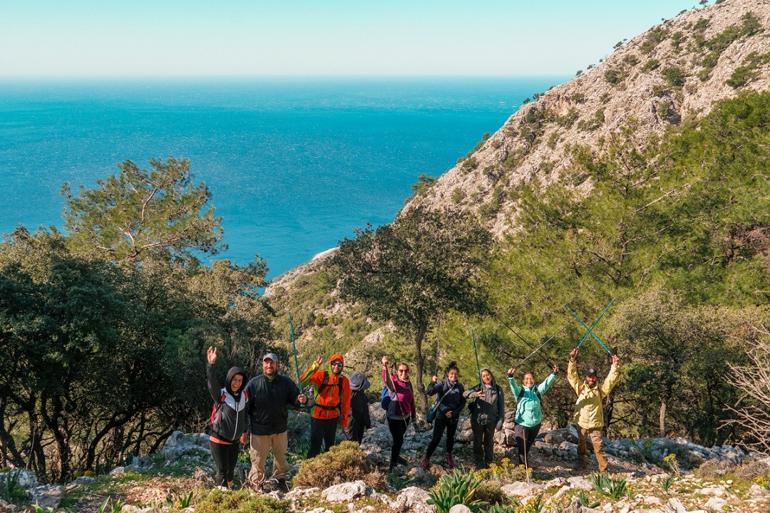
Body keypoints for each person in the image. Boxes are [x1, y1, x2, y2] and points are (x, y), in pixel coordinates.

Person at [244, 352, 307, 491]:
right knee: (257, 463)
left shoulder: (286, 382)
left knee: (281, 461)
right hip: (259, 433)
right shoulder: (253, 384)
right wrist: (243, 430)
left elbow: (296, 400)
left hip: (280, 430)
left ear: (277, 365)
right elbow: (244, 408)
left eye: (272, 362)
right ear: (262, 365)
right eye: (266, 362)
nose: (269, 365)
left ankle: (279, 484)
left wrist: (302, 399)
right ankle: (255, 488)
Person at [567, 348, 621, 473]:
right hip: (581, 423)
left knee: (598, 448)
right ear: (586, 377)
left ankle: (603, 470)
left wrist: (615, 365)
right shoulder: (580, 387)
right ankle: (581, 465)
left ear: (596, 378)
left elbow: (611, 380)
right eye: (589, 377)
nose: (591, 379)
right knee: (581, 445)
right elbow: (572, 375)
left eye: (593, 377)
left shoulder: (600, 391)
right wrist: (572, 360)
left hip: (596, 424)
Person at [205, 346, 249, 490]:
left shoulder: (243, 396)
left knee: (230, 472)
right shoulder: (221, 395)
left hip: (234, 442)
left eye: (240, 381)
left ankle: (229, 496)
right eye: (234, 380)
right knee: (222, 472)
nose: (236, 383)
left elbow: (244, 416)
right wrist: (211, 366)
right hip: (218, 439)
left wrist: (244, 432)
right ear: (229, 379)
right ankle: (221, 499)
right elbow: (211, 384)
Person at [300, 353, 352, 457]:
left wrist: (344, 420)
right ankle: (310, 470)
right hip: (317, 416)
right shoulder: (321, 375)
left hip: (333, 417)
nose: (336, 366)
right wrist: (315, 366)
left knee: (330, 447)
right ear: (330, 364)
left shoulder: (344, 381)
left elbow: (346, 402)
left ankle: (326, 469)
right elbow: (303, 381)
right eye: (334, 363)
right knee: (315, 446)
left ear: (342, 366)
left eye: (339, 364)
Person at [506, 364, 559, 467]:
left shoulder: (537, 391)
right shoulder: (519, 391)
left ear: (534, 380)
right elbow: (513, 385)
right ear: (523, 381)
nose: (529, 380)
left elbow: (547, 383)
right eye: (526, 378)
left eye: (531, 378)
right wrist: (510, 377)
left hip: (535, 424)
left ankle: (523, 466)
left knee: (527, 446)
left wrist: (554, 374)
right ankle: (524, 469)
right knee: (523, 447)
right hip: (521, 424)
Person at [421, 361, 465, 470]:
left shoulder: (460, 387)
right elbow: (430, 392)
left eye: (455, 374)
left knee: (450, 438)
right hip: (441, 416)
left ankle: (449, 457)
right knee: (436, 438)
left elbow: (462, 402)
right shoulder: (442, 384)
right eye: (451, 374)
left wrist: (454, 413)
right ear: (447, 375)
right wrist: (432, 382)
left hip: (454, 417)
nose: (453, 376)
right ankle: (426, 458)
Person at [464, 368, 505, 469]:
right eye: (483, 376)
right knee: (477, 441)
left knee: (489, 442)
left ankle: (489, 462)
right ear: (481, 378)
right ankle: (479, 462)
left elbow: (501, 407)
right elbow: (465, 394)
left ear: (491, 375)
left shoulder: (498, 389)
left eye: (487, 375)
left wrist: (500, 421)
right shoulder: (478, 387)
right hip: (477, 419)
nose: (486, 377)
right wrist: (475, 394)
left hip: (491, 420)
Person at [381, 355, 417, 471]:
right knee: (398, 440)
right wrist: (384, 366)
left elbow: (412, 401)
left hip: (405, 417)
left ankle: (396, 457)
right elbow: (386, 380)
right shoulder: (394, 382)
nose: (403, 373)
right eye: (401, 370)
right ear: (397, 371)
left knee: (399, 439)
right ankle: (392, 465)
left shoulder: (408, 384)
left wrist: (414, 416)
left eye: (406, 371)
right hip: (394, 417)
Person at [347, 371, 372, 443]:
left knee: (357, 442)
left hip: (358, 422)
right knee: (352, 442)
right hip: (352, 423)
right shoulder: (350, 395)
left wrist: (367, 424)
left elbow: (365, 409)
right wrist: (367, 424)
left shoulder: (360, 394)